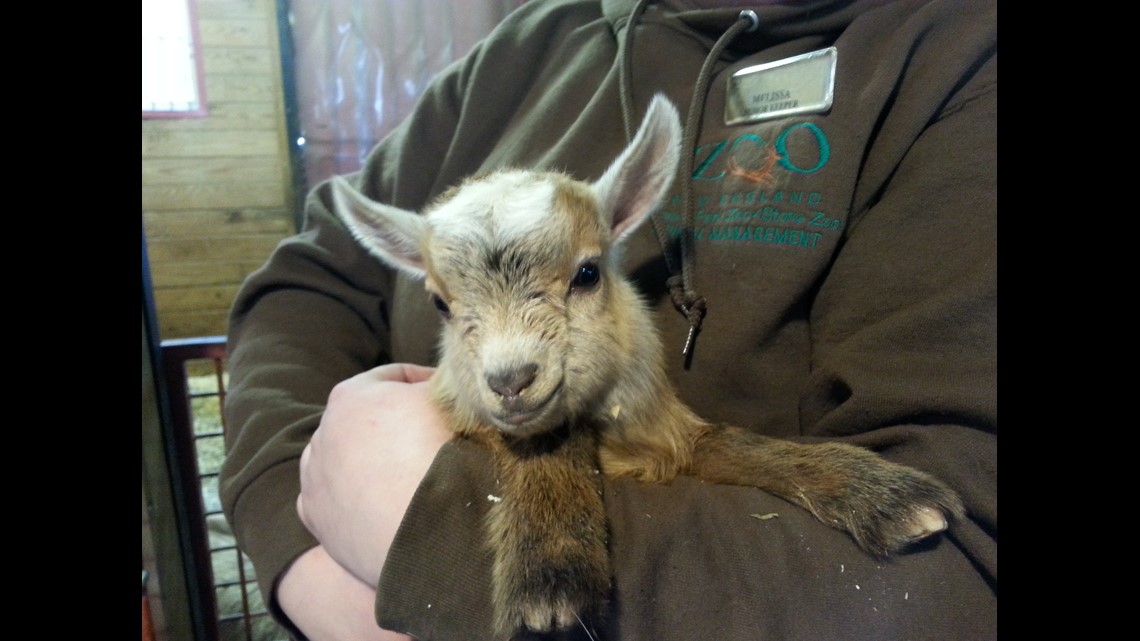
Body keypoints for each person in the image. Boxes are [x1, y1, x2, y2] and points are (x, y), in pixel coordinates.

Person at [219, 0, 997, 639]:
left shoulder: (956, 66)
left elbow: (959, 574)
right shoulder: (524, 49)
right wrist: (303, 556)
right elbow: (305, 283)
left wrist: (432, 538)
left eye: (582, 273)